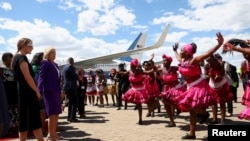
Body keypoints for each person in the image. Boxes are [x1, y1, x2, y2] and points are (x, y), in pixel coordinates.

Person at [172, 32, 224, 139]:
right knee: (191, 110)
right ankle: (192, 134)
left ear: (187, 52)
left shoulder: (194, 60)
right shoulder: (183, 60)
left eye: (182, 50)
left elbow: (208, 53)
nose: (181, 52)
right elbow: (178, 57)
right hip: (190, 86)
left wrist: (219, 44)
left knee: (192, 108)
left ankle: (204, 115)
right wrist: (175, 51)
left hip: (198, 86)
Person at [11, 37, 44, 141]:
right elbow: (28, 77)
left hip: (23, 92)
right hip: (28, 92)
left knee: (24, 120)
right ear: (23, 46)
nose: (32, 48)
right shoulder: (21, 58)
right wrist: (36, 91)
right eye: (30, 45)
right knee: (34, 119)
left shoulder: (17, 58)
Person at [37, 47, 63, 140]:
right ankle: (50, 135)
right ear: (47, 53)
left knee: (56, 113)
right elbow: (41, 78)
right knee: (52, 114)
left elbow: (58, 80)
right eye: (52, 52)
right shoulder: (45, 62)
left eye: (55, 52)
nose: (54, 54)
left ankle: (54, 133)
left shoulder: (55, 64)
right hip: (48, 92)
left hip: (56, 91)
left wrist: (60, 91)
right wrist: (39, 91)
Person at [222, 39, 250, 120]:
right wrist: (243, 73)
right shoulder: (244, 63)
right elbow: (242, 77)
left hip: (234, 83)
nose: (245, 55)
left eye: (246, 53)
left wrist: (235, 48)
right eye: (244, 54)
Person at [158, 54, 186, 127]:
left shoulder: (173, 68)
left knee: (182, 103)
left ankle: (201, 113)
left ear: (169, 62)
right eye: (163, 61)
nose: (163, 62)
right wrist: (151, 61)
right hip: (167, 89)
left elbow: (183, 68)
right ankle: (172, 122)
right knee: (165, 103)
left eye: (165, 61)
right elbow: (153, 69)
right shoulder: (162, 69)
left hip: (177, 88)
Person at [204, 55, 233, 124]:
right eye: (207, 59)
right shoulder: (207, 66)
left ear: (213, 58)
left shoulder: (220, 64)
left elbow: (223, 74)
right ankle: (215, 119)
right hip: (212, 85)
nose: (208, 60)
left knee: (222, 102)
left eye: (209, 58)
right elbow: (206, 75)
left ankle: (222, 120)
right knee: (213, 103)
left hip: (221, 85)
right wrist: (208, 75)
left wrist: (219, 76)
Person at [122, 59, 148, 125]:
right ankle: (140, 115)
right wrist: (117, 72)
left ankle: (140, 119)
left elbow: (147, 72)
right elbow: (124, 73)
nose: (131, 67)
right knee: (126, 98)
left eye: (132, 66)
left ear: (135, 66)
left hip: (139, 89)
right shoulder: (130, 71)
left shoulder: (139, 71)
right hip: (133, 89)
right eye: (131, 66)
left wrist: (153, 69)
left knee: (139, 105)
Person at [1, 52, 19, 135]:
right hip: (6, 92)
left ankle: (15, 127)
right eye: (9, 58)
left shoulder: (13, 68)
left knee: (15, 110)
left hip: (14, 92)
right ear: (5, 59)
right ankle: (9, 128)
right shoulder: (1, 69)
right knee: (8, 111)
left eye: (12, 58)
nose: (11, 59)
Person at [30, 52, 47, 134]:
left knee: (40, 112)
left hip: (37, 92)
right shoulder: (35, 68)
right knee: (41, 112)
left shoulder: (35, 68)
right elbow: (37, 81)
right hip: (38, 92)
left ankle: (41, 129)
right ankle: (42, 129)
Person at [62, 57, 79, 123]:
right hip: (72, 86)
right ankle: (73, 117)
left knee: (70, 102)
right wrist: (77, 75)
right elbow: (75, 76)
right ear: (72, 62)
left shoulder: (64, 67)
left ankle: (69, 117)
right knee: (74, 102)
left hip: (67, 86)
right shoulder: (71, 67)